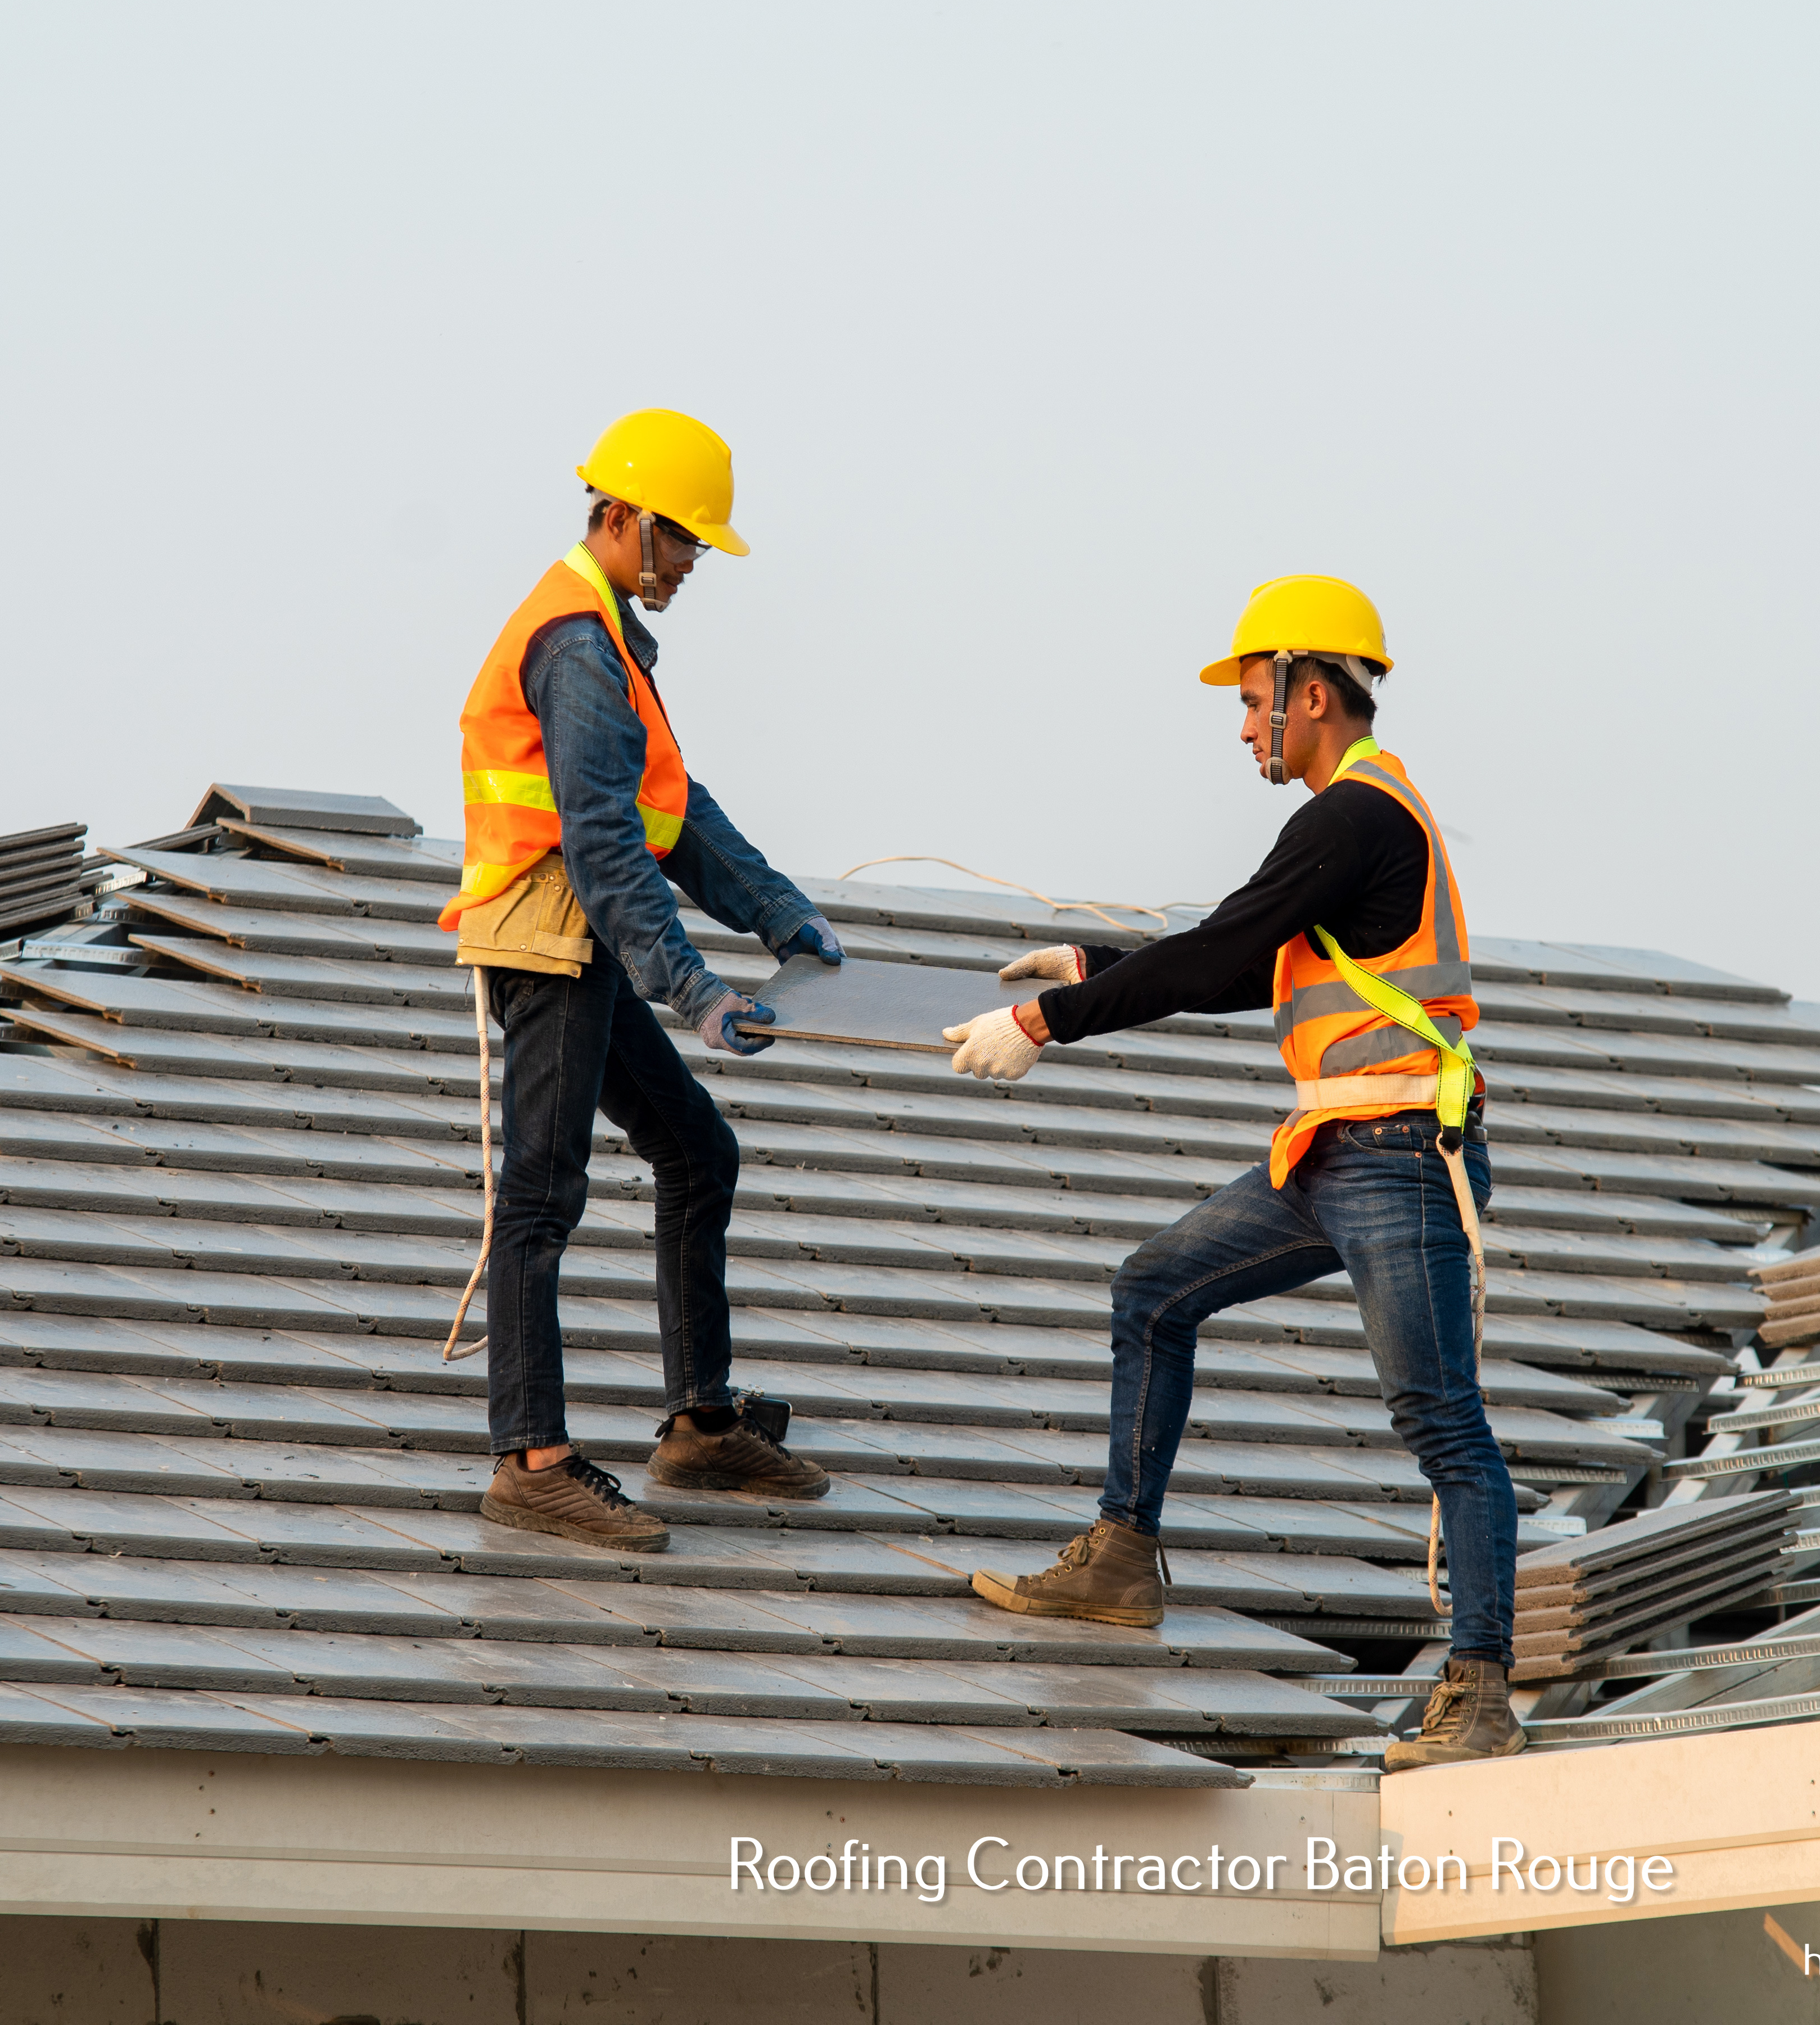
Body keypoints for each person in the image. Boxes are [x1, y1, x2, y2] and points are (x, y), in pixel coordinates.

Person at [940, 576, 1523, 1771]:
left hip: (1403, 1157)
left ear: (1314, 694)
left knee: (1442, 1422)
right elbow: (1245, 958)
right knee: (1152, 1288)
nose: (1244, 725)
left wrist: (1054, 1017)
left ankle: (1480, 1690)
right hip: (1332, 1151)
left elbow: (1227, 945)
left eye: (1257, 700)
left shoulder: (1353, 817)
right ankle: (1118, 1558)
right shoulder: (1355, 821)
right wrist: (1101, 959)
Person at [437, 408, 841, 1553]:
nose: (693, 565)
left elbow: (677, 807)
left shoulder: (607, 636)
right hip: (553, 937)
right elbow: (606, 845)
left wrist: (779, 912)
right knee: (541, 1196)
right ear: (625, 518)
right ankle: (532, 1458)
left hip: (589, 938)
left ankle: (700, 1426)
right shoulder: (575, 643)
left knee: (698, 1150)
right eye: (686, 542)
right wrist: (698, 987)